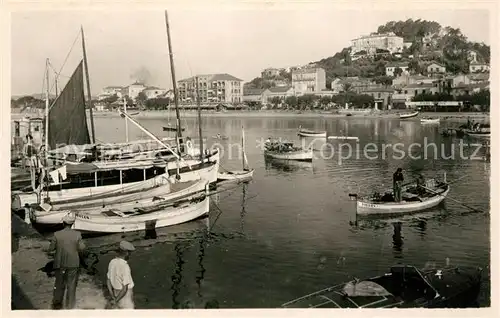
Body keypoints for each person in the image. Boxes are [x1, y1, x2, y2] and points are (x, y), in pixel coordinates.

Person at [48, 213, 86, 309]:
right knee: (71, 285)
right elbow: (82, 248)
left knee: (59, 284)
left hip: (60, 263)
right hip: (73, 263)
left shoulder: (56, 234)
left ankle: (57, 303)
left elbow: (51, 250)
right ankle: (70, 306)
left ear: (63, 223)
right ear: (72, 224)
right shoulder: (77, 234)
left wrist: (57, 253)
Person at [107, 241, 136, 309]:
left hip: (115, 292)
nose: (130, 255)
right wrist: (115, 301)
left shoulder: (112, 262)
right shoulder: (125, 266)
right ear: (126, 253)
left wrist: (112, 295)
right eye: (130, 253)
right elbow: (125, 288)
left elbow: (108, 280)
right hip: (125, 295)